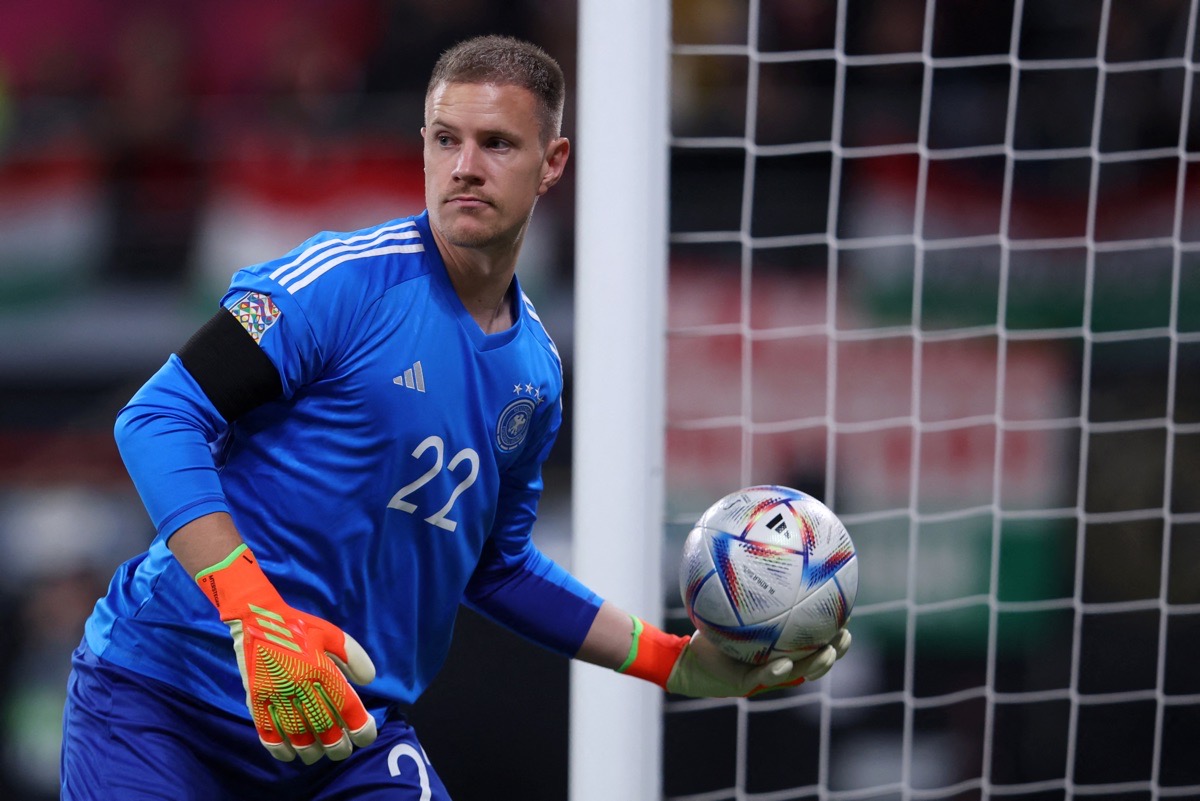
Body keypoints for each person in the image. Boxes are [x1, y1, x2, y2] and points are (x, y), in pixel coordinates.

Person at [60, 35, 850, 801]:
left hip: (344, 736)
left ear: (553, 164)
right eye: (446, 139)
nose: (465, 167)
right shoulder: (340, 285)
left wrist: (673, 661)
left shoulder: (533, 374)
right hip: (163, 702)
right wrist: (256, 617)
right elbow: (158, 417)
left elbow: (494, 564)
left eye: (498, 144)